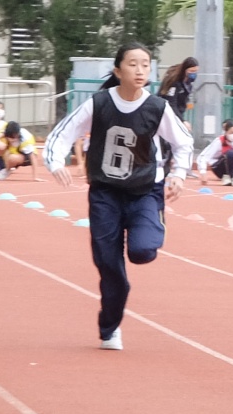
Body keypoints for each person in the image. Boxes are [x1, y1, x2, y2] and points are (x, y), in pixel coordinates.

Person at [43, 43, 192, 350]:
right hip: (105, 193)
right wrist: (55, 162)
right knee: (108, 265)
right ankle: (110, 329)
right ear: (118, 70)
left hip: (144, 191)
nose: (140, 70)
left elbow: (183, 142)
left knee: (142, 251)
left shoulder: (157, 107)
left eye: (145, 65)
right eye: (133, 64)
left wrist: (178, 174)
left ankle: (153, 226)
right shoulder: (99, 104)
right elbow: (64, 132)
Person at [196, 119, 233, 185]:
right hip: (221, 169)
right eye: (232, 132)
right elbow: (204, 157)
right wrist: (203, 173)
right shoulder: (219, 141)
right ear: (226, 132)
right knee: (230, 153)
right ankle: (230, 176)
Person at [159, 57, 198, 124]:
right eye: (191, 71)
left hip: (177, 114)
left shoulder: (188, 84)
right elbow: (171, 104)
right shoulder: (174, 83)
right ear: (185, 70)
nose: (193, 74)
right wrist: (182, 120)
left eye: (195, 71)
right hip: (166, 115)